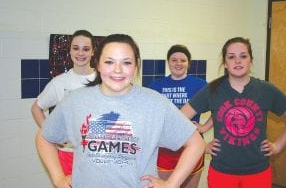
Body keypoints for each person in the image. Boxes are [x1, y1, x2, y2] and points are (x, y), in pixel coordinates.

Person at [35, 34, 205, 188]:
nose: (118, 70)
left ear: (136, 66)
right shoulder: (75, 101)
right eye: (109, 62)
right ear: (98, 65)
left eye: (126, 62)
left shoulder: (155, 103)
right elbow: (44, 137)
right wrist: (58, 178)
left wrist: (171, 184)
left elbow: (196, 143)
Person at [181, 37, 286, 188]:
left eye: (243, 56)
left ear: (251, 60)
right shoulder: (212, 90)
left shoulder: (266, 90)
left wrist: (278, 146)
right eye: (231, 57)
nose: (238, 61)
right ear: (225, 63)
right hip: (222, 173)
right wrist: (202, 147)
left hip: (258, 173)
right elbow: (179, 119)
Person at [31, 29, 97, 176]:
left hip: (98, 154)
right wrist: (51, 133)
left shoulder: (102, 79)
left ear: (93, 52)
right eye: (76, 48)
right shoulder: (59, 83)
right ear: (70, 51)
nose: (80, 53)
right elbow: (36, 108)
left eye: (86, 49)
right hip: (69, 154)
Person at [148, 44, 207, 188]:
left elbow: (220, 107)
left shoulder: (200, 84)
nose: (178, 63)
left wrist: (205, 127)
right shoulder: (156, 86)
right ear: (168, 62)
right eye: (174, 60)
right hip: (164, 149)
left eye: (183, 60)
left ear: (189, 63)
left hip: (191, 146)